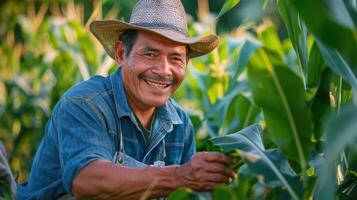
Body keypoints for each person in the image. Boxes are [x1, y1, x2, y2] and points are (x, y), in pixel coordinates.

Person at [16, 0, 237, 199]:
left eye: (176, 59)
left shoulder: (180, 124)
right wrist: (179, 175)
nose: (163, 71)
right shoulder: (84, 103)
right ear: (121, 54)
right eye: (150, 54)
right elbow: (86, 181)